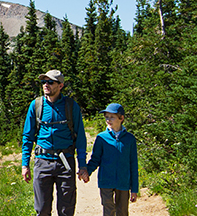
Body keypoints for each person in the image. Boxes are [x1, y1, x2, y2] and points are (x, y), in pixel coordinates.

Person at [21, 69, 87, 216]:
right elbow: (27, 136)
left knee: (66, 210)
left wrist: (82, 165)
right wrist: (25, 164)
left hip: (65, 163)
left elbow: (81, 138)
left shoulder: (71, 106)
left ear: (60, 85)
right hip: (42, 162)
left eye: (50, 82)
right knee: (42, 210)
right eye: (44, 82)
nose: (46, 85)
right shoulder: (36, 105)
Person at [82, 103, 139, 216]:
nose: (108, 119)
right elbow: (95, 159)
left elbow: (133, 164)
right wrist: (87, 171)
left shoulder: (130, 139)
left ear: (121, 118)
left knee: (122, 211)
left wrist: (134, 188)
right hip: (106, 181)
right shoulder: (101, 138)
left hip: (123, 182)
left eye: (112, 117)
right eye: (106, 116)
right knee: (108, 210)